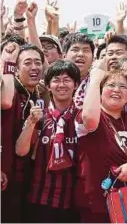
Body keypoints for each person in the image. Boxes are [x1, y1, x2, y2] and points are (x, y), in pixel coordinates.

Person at [75, 63, 127, 223]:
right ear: (100, 91)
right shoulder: (91, 116)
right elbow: (89, 120)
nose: (117, 89)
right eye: (110, 85)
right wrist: (96, 78)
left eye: (123, 86)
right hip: (96, 202)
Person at [15, 60, 81, 223]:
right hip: (39, 200)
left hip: (73, 202)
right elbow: (20, 151)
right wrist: (30, 123)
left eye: (67, 80)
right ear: (48, 86)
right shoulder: (38, 116)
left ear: (76, 85)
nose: (62, 84)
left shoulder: (83, 118)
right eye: (56, 80)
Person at [1, 44, 45, 222]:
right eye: (28, 63)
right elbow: (5, 102)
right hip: (6, 178)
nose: (34, 67)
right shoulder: (9, 91)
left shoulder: (37, 95)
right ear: (16, 69)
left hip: (27, 178)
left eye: (38, 62)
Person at [63, 32, 94, 109]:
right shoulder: (53, 82)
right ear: (64, 56)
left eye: (86, 50)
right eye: (75, 50)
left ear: (93, 58)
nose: (81, 54)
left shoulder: (100, 83)